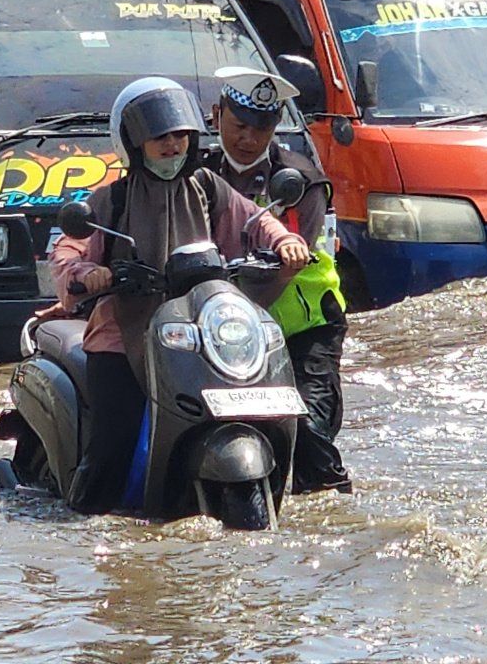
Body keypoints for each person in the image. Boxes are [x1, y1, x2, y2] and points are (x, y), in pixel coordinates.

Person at [51, 77, 309, 514]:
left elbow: (255, 222)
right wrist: (87, 272)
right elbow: (69, 249)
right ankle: (84, 518)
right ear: (134, 143)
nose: (172, 147)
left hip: (198, 331)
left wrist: (284, 241)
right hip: (122, 335)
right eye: (160, 138)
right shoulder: (111, 200)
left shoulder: (207, 186)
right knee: (114, 438)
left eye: (179, 137)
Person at [204, 66, 352, 495]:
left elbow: (292, 256)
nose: (248, 139)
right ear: (216, 116)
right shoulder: (196, 175)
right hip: (222, 329)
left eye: (262, 127)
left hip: (304, 331)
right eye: (239, 125)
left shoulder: (300, 179)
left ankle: (333, 504)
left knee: (307, 428)